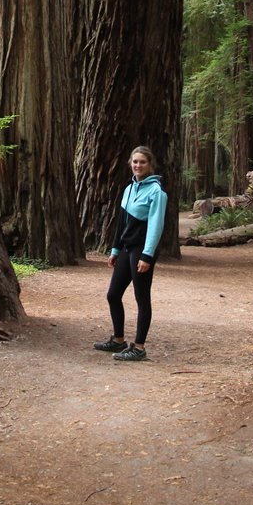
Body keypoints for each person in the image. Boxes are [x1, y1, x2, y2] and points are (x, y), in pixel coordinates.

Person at [93, 146, 167, 362]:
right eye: (135, 162)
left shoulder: (157, 192)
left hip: (142, 250)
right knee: (113, 295)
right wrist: (115, 249)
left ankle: (139, 347)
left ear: (149, 164)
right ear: (130, 163)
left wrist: (147, 255)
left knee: (142, 298)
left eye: (142, 162)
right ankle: (118, 340)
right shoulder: (129, 189)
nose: (138, 165)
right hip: (126, 248)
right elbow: (121, 223)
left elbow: (156, 226)